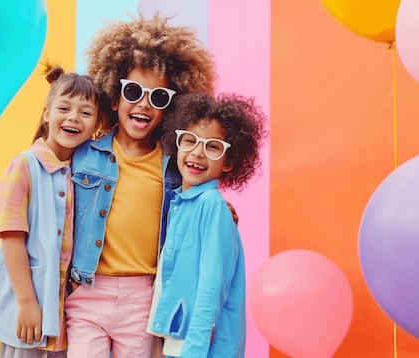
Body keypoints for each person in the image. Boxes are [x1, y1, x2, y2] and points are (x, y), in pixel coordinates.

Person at [64, 13, 219, 358]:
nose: (144, 103)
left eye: (159, 97)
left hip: (143, 298)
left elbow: (195, 206)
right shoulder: (83, 155)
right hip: (88, 291)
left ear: (171, 110)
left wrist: (223, 210)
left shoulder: (175, 169)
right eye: (133, 91)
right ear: (114, 98)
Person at [0, 65, 101, 358]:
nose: (74, 117)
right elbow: (11, 235)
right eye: (64, 108)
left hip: (66, 316)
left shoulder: (88, 172)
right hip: (26, 311)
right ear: (47, 113)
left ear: (96, 124)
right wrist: (26, 301)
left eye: (85, 113)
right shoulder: (24, 166)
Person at [147, 92, 267, 358]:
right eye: (189, 140)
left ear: (229, 162)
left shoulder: (212, 207)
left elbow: (211, 289)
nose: (198, 152)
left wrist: (194, 351)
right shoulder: (182, 203)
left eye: (213, 146)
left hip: (200, 350)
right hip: (180, 346)